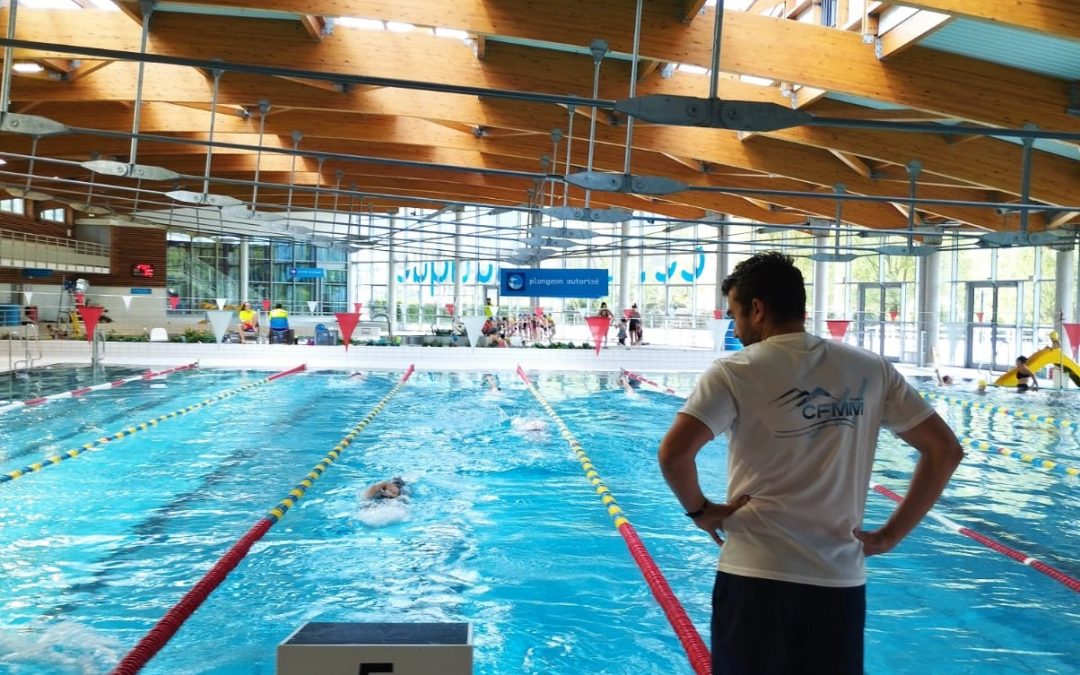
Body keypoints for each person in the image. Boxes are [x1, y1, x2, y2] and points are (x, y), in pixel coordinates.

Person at [657, 252, 962, 675]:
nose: (734, 326)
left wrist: (700, 511)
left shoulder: (734, 371)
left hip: (754, 573)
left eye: (735, 315)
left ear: (757, 309)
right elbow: (945, 451)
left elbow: (674, 455)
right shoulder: (871, 369)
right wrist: (890, 536)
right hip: (839, 581)